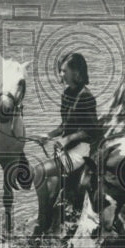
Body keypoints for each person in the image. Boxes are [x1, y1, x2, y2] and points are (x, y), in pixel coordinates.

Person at [33, 52, 102, 235]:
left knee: (38, 171)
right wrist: (49, 135)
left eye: (64, 71)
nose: (60, 74)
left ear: (76, 72)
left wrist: (67, 139)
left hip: (81, 150)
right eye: (60, 71)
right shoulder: (66, 94)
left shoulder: (86, 97)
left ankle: (42, 220)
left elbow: (92, 130)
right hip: (69, 150)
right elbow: (65, 124)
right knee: (49, 182)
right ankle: (49, 223)